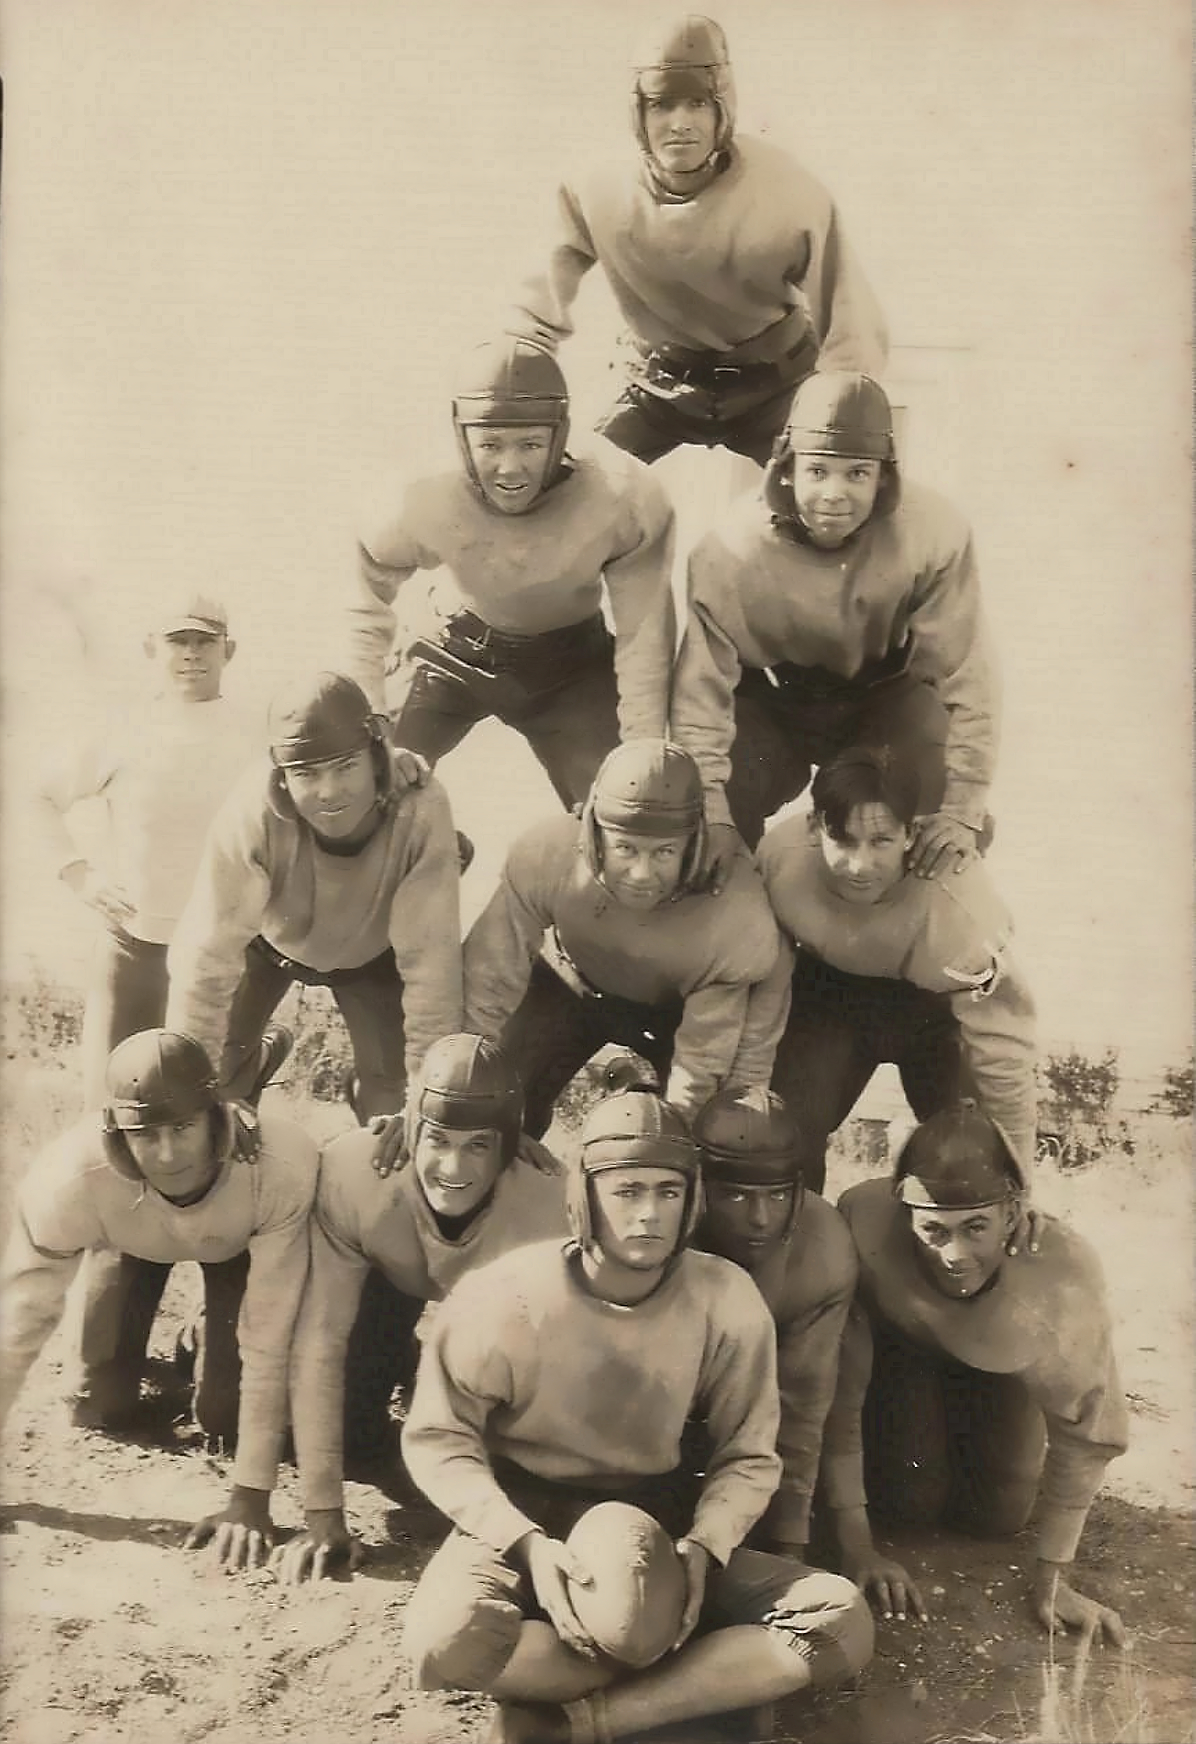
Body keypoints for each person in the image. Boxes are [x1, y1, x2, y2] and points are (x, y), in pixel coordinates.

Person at [400, 1085, 874, 1743]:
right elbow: (438, 1439)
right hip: (524, 1518)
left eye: (668, 1192)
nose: (649, 1213)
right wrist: (525, 1544)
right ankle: (699, 1686)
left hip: (662, 1523)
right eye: (627, 1191)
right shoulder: (505, 1296)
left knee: (838, 1621)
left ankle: (584, 1721)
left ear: (692, 1201)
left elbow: (749, 1452)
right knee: (440, 1645)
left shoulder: (725, 1298)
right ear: (584, 1196)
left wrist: (707, 1546)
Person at [507, 14, 887, 465]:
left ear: (723, 109)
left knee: (829, 492)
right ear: (638, 112)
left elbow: (851, 322)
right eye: (662, 105)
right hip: (654, 385)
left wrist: (836, 418)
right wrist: (513, 364)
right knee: (570, 479)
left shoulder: (789, 192)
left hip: (775, 385)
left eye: (697, 104)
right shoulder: (595, 188)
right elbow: (531, 308)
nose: (680, 123)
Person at [0, 1030, 317, 1569]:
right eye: (144, 1133)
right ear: (113, 1133)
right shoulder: (69, 1178)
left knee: (224, 1416)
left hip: (235, 1247)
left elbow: (271, 1335)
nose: (167, 1154)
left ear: (218, 1116)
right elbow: (17, 1323)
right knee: (96, 1403)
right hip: (131, 1235)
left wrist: (250, 1495)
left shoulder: (279, 1165)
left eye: (184, 1126)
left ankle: (201, 1335)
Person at [669, 371, 999, 884]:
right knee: (705, 830)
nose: (835, 494)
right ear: (785, 469)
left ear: (884, 478)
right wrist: (713, 811)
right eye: (817, 471)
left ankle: (886, 950)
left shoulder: (933, 533)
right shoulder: (729, 550)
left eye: (857, 474)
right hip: (771, 703)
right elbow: (700, 694)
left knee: (931, 825)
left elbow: (966, 674)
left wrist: (963, 807)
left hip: (884, 697)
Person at [821, 1102, 1128, 1646]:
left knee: (999, 1516)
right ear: (902, 1213)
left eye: (977, 1226)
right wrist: (857, 1544)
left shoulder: (1061, 1276)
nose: (955, 1253)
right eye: (934, 1229)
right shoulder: (862, 1222)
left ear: (1013, 1215)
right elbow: (837, 1389)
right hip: (907, 1359)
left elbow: (1089, 1433)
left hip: (999, 1367)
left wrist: (1053, 1578)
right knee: (909, 1506)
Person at [278, 1034, 569, 1584]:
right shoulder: (355, 1172)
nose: (453, 1166)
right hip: (387, 1277)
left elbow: (556, 1373)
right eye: (437, 1139)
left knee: (507, 1459)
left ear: (511, 1146)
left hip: (487, 1315)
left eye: (479, 1145)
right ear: (410, 1129)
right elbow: (321, 1340)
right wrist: (322, 1515)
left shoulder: (549, 1204)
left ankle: (430, 1376)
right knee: (324, 1430)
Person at [346, 338, 676, 810]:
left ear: (560, 437)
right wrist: (372, 718)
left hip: (570, 668)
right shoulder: (420, 492)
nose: (509, 467)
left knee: (624, 811)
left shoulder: (623, 493)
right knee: (370, 787)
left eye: (530, 444)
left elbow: (644, 635)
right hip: (448, 650)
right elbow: (363, 599)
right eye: (490, 444)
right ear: (461, 438)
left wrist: (641, 754)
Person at [166, 670, 462, 1122]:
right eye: (306, 773)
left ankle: (366, 1090)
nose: (329, 793)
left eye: (346, 767)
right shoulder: (252, 808)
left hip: (371, 956)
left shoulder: (422, 807)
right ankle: (254, 1063)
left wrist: (426, 1104)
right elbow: (205, 957)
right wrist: (190, 1104)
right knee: (215, 1090)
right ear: (281, 777)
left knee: (393, 1105)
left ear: (378, 759)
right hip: (268, 945)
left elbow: (432, 966)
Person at [736, 747, 1037, 1192]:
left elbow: (1003, 1049)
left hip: (935, 1016)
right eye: (842, 839)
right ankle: (798, 1248)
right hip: (829, 998)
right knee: (785, 1139)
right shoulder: (782, 858)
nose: (860, 866)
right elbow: (762, 978)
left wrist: (1022, 1181)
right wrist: (748, 1091)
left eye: (881, 841)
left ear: (912, 832)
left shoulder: (959, 906)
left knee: (975, 1159)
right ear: (814, 825)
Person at [33, 590, 281, 1107]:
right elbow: (37, 796)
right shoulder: (121, 730)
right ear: (152, 648)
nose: (191, 653)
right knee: (111, 1112)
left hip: (225, 950)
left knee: (212, 1116)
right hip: (137, 946)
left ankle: (251, 1061)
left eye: (204, 642)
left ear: (228, 651)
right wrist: (81, 875)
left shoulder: (261, 731)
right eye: (177, 641)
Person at [463, 738, 782, 1135]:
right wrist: (456, 1076)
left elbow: (700, 1067)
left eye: (664, 852)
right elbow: (487, 983)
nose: (642, 873)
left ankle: (632, 1087)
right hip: (570, 983)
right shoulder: (549, 854)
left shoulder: (735, 913)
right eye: (626, 849)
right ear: (593, 833)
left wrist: (671, 1138)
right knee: (492, 1108)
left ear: (696, 842)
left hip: (675, 1015)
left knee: (689, 1134)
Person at [691, 1086, 858, 1560]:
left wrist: (790, 1548)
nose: (761, 1218)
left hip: (756, 1441)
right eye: (737, 1195)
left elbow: (804, 1403)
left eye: (778, 1195)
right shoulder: (663, 1226)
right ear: (699, 1187)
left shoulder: (822, 1249)